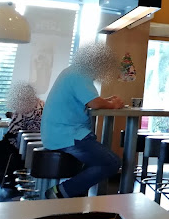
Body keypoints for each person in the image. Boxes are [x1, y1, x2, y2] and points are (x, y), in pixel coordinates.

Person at [41, 43, 125, 198]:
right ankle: (61, 191)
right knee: (112, 162)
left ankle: (76, 198)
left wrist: (105, 101)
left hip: (58, 133)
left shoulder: (72, 72)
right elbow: (94, 103)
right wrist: (113, 104)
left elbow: (90, 100)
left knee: (98, 161)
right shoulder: (80, 74)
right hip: (66, 135)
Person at [0, 83, 44, 185]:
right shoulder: (42, 104)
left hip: (21, 144)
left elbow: (13, 129)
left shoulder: (22, 108)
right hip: (37, 142)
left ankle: (3, 175)